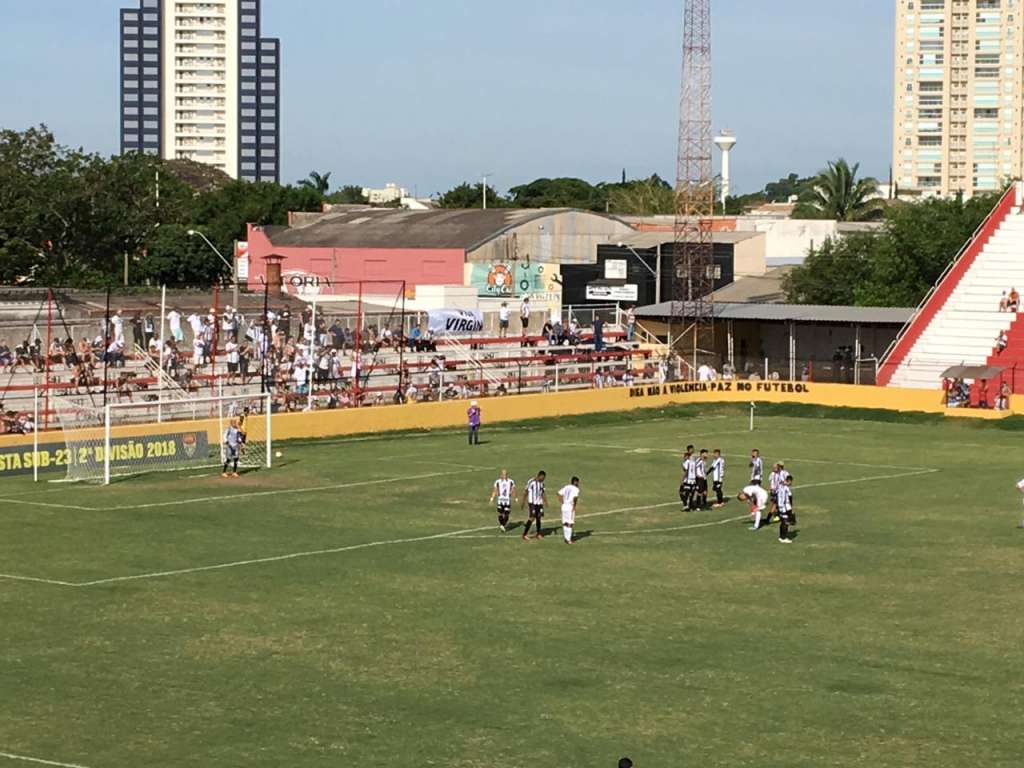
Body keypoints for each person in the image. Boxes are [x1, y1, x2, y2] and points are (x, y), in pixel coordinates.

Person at [521, 470, 547, 540]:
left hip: (539, 503)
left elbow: (543, 492)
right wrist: (523, 501)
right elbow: (526, 491)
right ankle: (524, 534)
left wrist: (545, 501)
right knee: (532, 518)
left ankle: (538, 534)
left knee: (539, 518)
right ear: (539, 476)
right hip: (532, 503)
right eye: (542, 477)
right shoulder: (531, 482)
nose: (543, 479)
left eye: (544, 478)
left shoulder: (542, 484)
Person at [559, 476, 581, 544]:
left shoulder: (566, 487)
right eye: (577, 482)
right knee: (570, 523)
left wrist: (562, 501)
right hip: (570, 507)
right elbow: (575, 498)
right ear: (575, 482)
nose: (578, 484)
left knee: (565, 522)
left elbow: (559, 493)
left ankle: (566, 538)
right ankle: (568, 540)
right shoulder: (576, 489)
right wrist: (574, 506)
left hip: (564, 506)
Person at [777, 474, 796, 543]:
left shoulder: (780, 486)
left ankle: (781, 536)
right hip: (785, 507)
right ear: (789, 481)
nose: (791, 483)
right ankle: (783, 538)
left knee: (783, 522)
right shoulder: (786, 488)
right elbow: (789, 497)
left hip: (780, 506)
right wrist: (790, 508)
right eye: (791, 482)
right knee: (786, 522)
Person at [679, 445, 695, 511]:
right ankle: (689, 505)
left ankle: (686, 505)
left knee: (683, 492)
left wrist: (682, 480)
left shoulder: (687, 462)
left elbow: (686, 471)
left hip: (688, 480)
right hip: (693, 480)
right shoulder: (693, 461)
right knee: (690, 493)